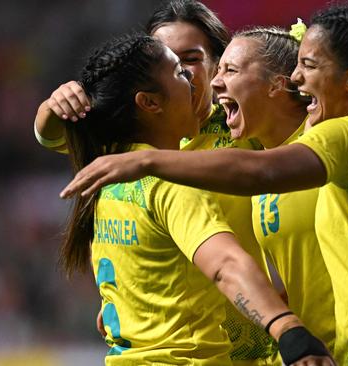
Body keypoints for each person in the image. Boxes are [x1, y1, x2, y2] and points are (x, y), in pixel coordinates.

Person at [61, 5, 348, 365]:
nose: (208, 82)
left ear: (276, 86)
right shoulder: (303, 150)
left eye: (227, 68)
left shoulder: (335, 142)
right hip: (335, 351)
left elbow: (254, 176)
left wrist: (147, 160)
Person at [57, 31, 333, 365]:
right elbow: (225, 265)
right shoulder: (166, 179)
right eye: (177, 72)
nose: (194, 80)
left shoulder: (107, 178)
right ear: (149, 102)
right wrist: (287, 328)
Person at [33, 1, 279, 364]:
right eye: (172, 63)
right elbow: (52, 133)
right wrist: (56, 105)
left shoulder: (245, 124)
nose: (186, 74)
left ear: (218, 64)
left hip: (256, 340)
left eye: (191, 59)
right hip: (197, 347)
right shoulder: (132, 147)